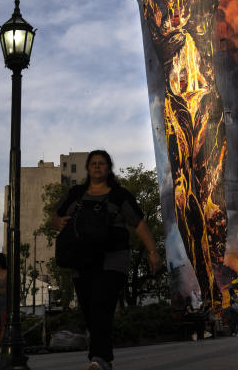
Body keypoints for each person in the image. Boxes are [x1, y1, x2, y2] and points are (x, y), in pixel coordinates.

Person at [51, 149, 162, 370]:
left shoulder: (120, 195)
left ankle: (98, 359)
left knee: (102, 305)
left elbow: (138, 224)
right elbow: (56, 217)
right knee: (89, 309)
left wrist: (152, 252)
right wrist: (58, 222)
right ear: (88, 168)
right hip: (81, 259)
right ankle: (104, 358)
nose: (97, 166)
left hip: (112, 259)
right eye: (93, 163)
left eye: (102, 163)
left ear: (108, 167)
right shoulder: (75, 194)